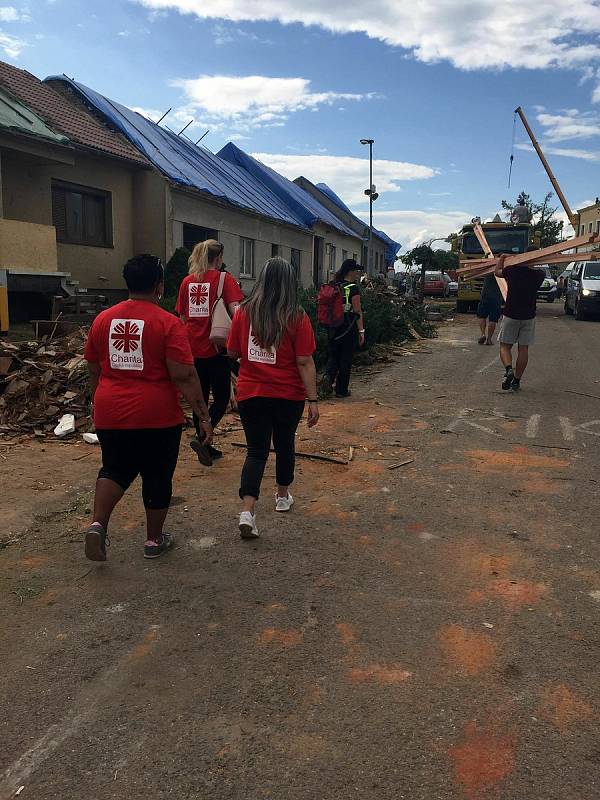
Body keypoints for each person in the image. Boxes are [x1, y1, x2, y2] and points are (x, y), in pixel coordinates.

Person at [84, 254, 213, 561]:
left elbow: (92, 367)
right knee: (157, 473)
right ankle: (154, 541)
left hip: (110, 409)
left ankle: (98, 524)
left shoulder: (103, 320)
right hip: (156, 415)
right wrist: (203, 415)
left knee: (114, 468)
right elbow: (184, 374)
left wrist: (95, 401)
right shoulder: (167, 323)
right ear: (159, 285)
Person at [227, 257, 319, 540]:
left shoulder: (243, 313)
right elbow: (304, 361)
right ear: (290, 283)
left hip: (252, 393)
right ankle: (282, 496)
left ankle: (247, 511)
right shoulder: (297, 317)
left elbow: (232, 352)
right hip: (287, 395)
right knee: (284, 443)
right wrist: (313, 399)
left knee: (256, 451)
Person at [176, 240, 243, 465]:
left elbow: (182, 317)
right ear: (219, 257)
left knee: (200, 398)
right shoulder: (225, 279)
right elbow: (237, 311)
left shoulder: (187, 281)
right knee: (222, 397)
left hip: (192, 348)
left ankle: (205, 444)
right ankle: (204, 437)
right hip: (217, 347)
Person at [495, 251, 545, 391]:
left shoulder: (512, 270)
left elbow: (497, 272)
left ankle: (509, 369)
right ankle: (516, 380)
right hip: (529, 316)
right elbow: (535, 269)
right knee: (523, 349)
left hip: (511, 314)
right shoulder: (540, 275)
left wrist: (503, 259)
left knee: (505, 346)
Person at [323, 259, 365, 398]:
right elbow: (358, 311)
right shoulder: (353, 288)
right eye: (356, 271)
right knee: (345, 358)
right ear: (351, 271)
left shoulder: (333, 285)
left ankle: (327, 379)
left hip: (333, 326)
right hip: (348, 327)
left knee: (334, 355)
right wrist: (361, 331)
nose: (358, 274)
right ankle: (341, 390)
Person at [476, 272, 503, 345]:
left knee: (482, 316)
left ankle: (482, 334)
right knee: (493, 319)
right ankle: (489, 339)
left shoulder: (488, 269)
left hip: (485, 296)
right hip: (496, 298)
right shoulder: (502, 271)